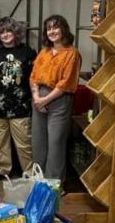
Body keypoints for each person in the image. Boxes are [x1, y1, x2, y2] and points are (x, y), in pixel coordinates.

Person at [0, 17, 37, 180]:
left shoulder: (28, 52)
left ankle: (28, 171)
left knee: (24, 143)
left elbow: (34, 77)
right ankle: (1, 169)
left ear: (16, 32)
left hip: (21, 106)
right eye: (1, 32)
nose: (5, 34)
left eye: (8, 31)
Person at [30, 14, 81, 180]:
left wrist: (45, 100)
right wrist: (37, 97)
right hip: (39, 99)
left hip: (59, 100)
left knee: (56, 144)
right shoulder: (44, 52)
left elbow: (65, 83)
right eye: (49, 28)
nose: (52, 31)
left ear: (63, 29)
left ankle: (53, 185)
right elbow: (33, 76)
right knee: (38, 143)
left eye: (55, 27)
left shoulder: (71, 53)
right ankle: (38, 181)